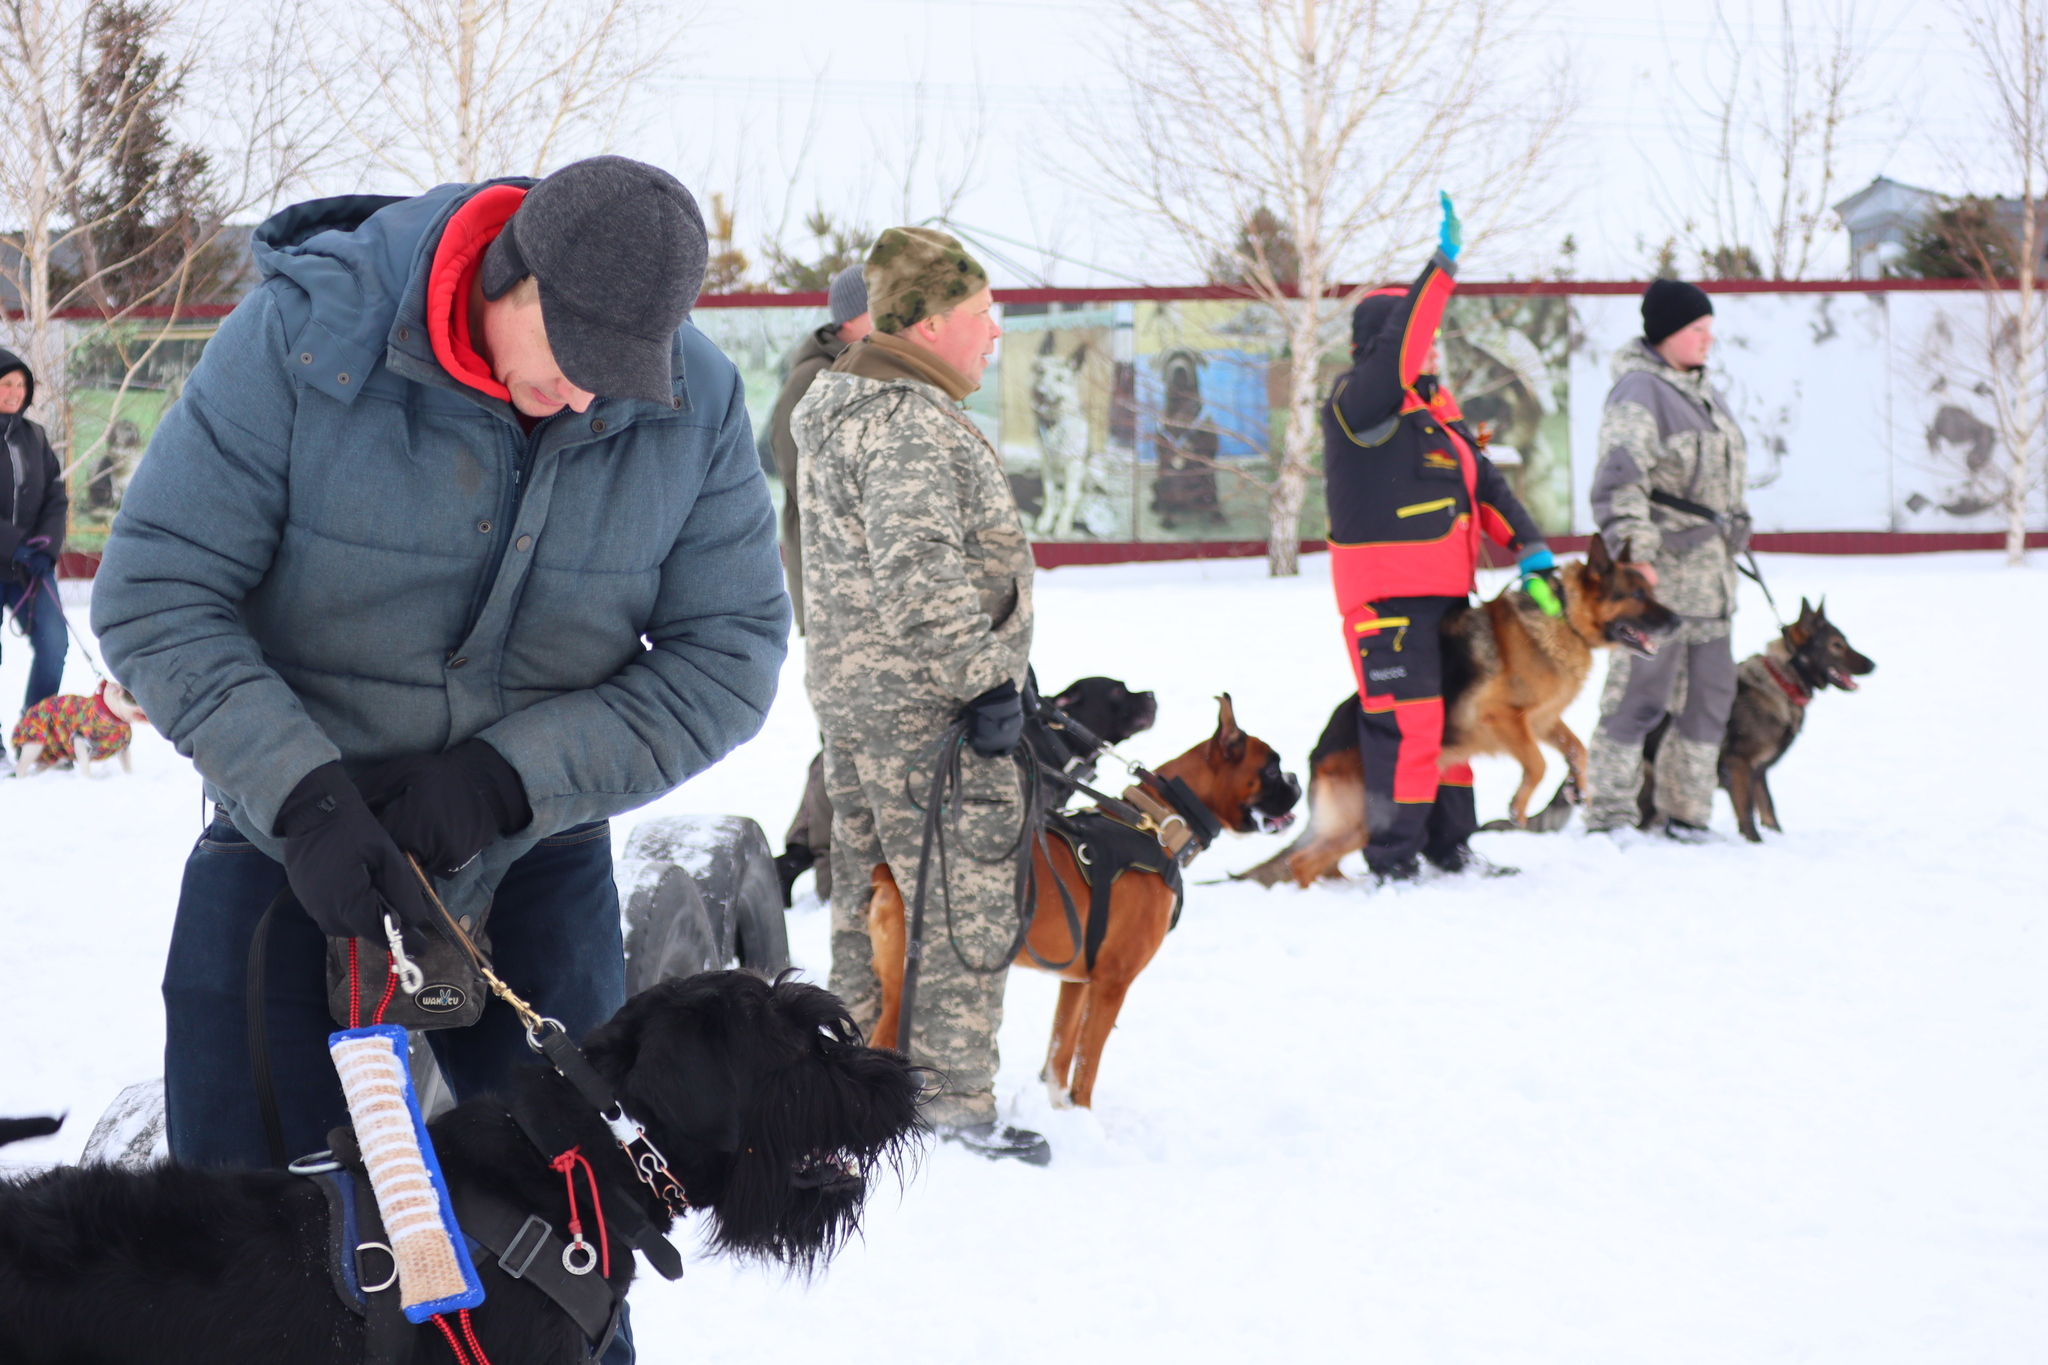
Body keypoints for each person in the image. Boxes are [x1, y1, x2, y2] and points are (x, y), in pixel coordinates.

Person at [93, 152, 788, 1250]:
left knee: (579, 1219)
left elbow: (731, 655)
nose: (587, 397)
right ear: (505, 277)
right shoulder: (303, 339)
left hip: (531, 852)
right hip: (292, 842)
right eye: (569, 359)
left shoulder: (690, 403)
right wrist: (303, 798)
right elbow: (156, 593)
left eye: (622, 371)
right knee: (234, 1227)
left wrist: (509, 779)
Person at [792, 226, 1046, 1164]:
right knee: (959, 900)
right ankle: (947, 1106)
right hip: (927, 713)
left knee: (868, 899)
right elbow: (919, 569)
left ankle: (850, 1088)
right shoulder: (904, 421)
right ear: (933, 323)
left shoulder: (849, 404)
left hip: (864, 703)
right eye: (983, 316)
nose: (995, 333)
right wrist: (985, 683)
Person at [1321, 194, 1554, 884]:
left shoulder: (1440, 415)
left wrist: (1532, 550)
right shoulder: (1358, 404)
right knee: (1409, 726)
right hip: (1387, 600)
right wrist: (1441, 268)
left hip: (1450, 599)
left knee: (1456, 722)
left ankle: (1451, 846)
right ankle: (1394, 859)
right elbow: (1397, 354)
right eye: (1417, 340)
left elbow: (1490, 488)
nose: (1430, 353)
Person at [1581, 279, 1748, 839]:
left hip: (1712, 583)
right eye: (1698, 330)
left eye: (1710, 331)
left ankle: (1686, 813)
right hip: (1657, 586)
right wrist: (1639, 558)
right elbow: (1620, 480)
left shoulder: (1702, 391)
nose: (1708, 341)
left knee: (1709, 699)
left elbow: (1718, 485)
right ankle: (1608, 815)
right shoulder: (1639, 393)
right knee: (1638, 694)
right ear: (1668, 332)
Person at [767, 264, 872, 906]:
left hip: (853, 591)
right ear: (852, 314)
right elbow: (808, 481)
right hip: (840, 594)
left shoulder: (851, 369)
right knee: (851, 735)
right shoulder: (818, 380)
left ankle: (803, 849)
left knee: (848, 731)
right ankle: (834, 872)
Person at [771, 263, 872, 632]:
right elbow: (791, 458)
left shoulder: (863, 367)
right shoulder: (815, 376)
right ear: (852, 315)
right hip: (830, 557)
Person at [0, 348, 70, 730]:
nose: (15, 391)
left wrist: (47, 546)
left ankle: (36, 731)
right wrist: (15, 544)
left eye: (21, 384)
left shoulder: (35, 436)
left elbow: (55, 495)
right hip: (11, 556)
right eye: (7, 383)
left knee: (53, 644)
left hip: (31, 568)